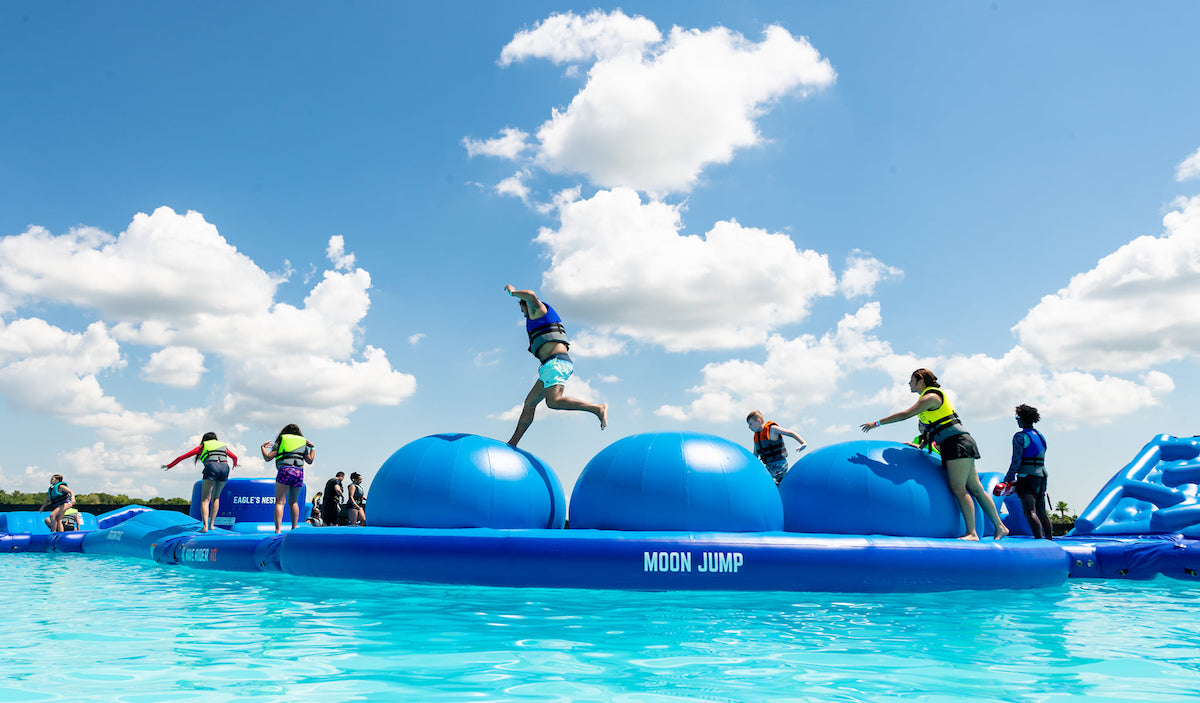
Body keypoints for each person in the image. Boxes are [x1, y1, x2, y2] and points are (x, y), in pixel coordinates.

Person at [860, 368, 1008, 541]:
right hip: (958, 443)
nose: (909, 383)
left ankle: (972, 533)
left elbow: (906, 415)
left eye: (912, 380)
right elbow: (933, 428)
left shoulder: (930, 397)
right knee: (976, 488)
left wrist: (876, 423)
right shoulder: (928, 402)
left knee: (959, 488)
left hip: (957, 444)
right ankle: (1000, 527)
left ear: (921, 380)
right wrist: (920, 445)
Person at [504, 284, 607, 447]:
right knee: (529, 402)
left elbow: (530, 295)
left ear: (526, 305)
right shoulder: (535, 315)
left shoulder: (538, 310)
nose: (524, 315)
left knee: (553, 402)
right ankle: (513, 442)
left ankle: (597, 408)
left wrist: (512, 292)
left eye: (523, 310)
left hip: (557, 363)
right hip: (549, 366)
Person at [162, 431, 239, 533]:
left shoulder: (203, 446)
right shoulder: (223, 446)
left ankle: (205, 527)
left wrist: (169, 466)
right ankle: (212, 525)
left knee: (205, 500)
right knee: (216, 497)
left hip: (212, 466)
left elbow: (182, 457)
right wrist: (235, 464)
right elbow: (235, 457)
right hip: (225, 467)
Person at [997, 404, 1054, 540]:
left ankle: (1039, 540)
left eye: (1017, 417)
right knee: (1042, 512)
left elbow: (1016, 461)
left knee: (1030, 511)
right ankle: (1050, 540)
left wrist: (1008, 479)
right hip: (1042, 477)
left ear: (1022, 419)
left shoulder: (1019, 437)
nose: (1016, 420)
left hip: (1027, 477)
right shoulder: (1040, 436)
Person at [261, 424, 314, 534]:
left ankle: (278, 530)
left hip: (285, 470)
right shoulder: (303, 443)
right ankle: (294, 528)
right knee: (294, 502)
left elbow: (268, 458)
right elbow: (310, 460)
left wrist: (262, 448)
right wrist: (312, 448)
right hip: (299, 472)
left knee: (280, 502)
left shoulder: (281, 441)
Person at [746, 411, 807, 484]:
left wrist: (803, 443)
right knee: (760, 481)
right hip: (769, 467)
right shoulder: (757, 437)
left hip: (780, 465)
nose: (749, 427)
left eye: (750, 424)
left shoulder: (772, 429)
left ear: (758, 421)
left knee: (770, 482)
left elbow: (791, 433)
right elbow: (755, 455)